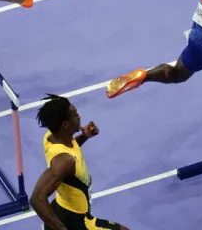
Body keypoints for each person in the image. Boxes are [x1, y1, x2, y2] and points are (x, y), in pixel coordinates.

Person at [31, 94, 129, 230]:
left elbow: (69, 149)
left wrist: (84, 136)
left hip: (61, 207)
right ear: (65, 124)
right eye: (75, 115)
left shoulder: (51, 137)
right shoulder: (65, 161)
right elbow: (37, 198)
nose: (79, 116)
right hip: (77, 221)